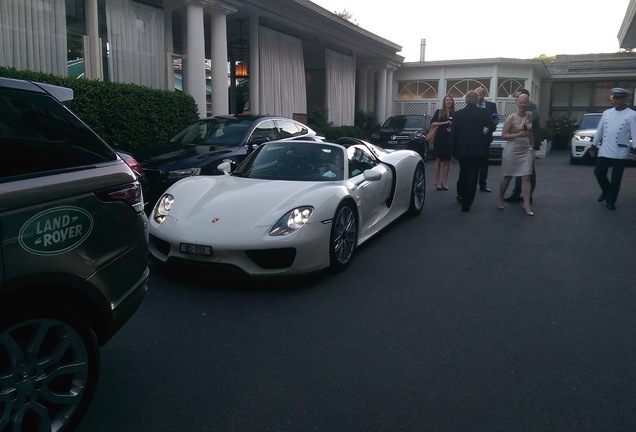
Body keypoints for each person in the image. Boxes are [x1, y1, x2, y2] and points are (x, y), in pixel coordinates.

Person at [589, 87, 636, 210]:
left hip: (620, 150)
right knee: (598, 172)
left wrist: (635, 149)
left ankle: (611, 200)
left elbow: (635, 133)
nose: (616, 101)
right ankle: (606, 190)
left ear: (625, 99)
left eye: (619, 98)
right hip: (605, 148)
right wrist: (594, 145)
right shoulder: (607, 113)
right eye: (614, 98)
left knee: (616, 178)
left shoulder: (632, 114)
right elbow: (600, 130)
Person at [450, 90, 496, 212]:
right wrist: (484, 132)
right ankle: (467, 203)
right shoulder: (484, 112)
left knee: (463, 173)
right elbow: (492, 126)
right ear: (477, 101)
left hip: (463, 149)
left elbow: (454, 134)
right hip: (478, 149)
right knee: (473, 176)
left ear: (465, 100)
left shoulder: (458, 114)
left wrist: (452, 152)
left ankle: (461, 194)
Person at [497, 93, 535, 216]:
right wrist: (517, 135)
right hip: (512, 150)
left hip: (525, 150)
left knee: (526, 177)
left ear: (528, 103)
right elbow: (504, 135)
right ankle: (500, 197)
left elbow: (530, 131)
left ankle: (526, 204)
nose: (523, 105)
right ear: (516, 103)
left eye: (525, 102)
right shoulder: (511, 118)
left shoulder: (530, 115)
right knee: (508, 177)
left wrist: (532, 145)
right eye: (520, 102)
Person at [504, 88, 541, 203]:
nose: (517, 99)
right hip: (517, 145)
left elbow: (527, 126)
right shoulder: (515, 114)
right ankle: (517, 194)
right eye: (516, 98)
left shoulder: (531, 111)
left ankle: (527, 196)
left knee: (528, 172)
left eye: (518, 97)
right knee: (518, 172)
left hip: (527, 145)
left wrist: (532, 145)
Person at [474, 87, 499, 193]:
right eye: (476, 95)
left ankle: (483, 184)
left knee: (484, 162)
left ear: (484, 95)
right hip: (473, 138)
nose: (477, 97)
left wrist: (491, 125)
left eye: (479, 95)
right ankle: (472, 184)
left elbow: (495, 120)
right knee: (474, 162)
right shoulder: (471, 105)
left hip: (485, 138)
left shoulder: (491, 106)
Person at [430, 95, 455, 190]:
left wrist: (452, 129)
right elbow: (433, 123)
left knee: (447, 160)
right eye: (447, 100)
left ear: (452, 102)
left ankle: (444, 181)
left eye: (450, 100)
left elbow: (457, 126)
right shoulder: (439, 112)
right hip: (439, 138)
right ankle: (437, 181)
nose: (448, 102)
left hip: (449, 139)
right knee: (438, 159)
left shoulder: (455, 113)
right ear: (444, 102)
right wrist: (444, 123)